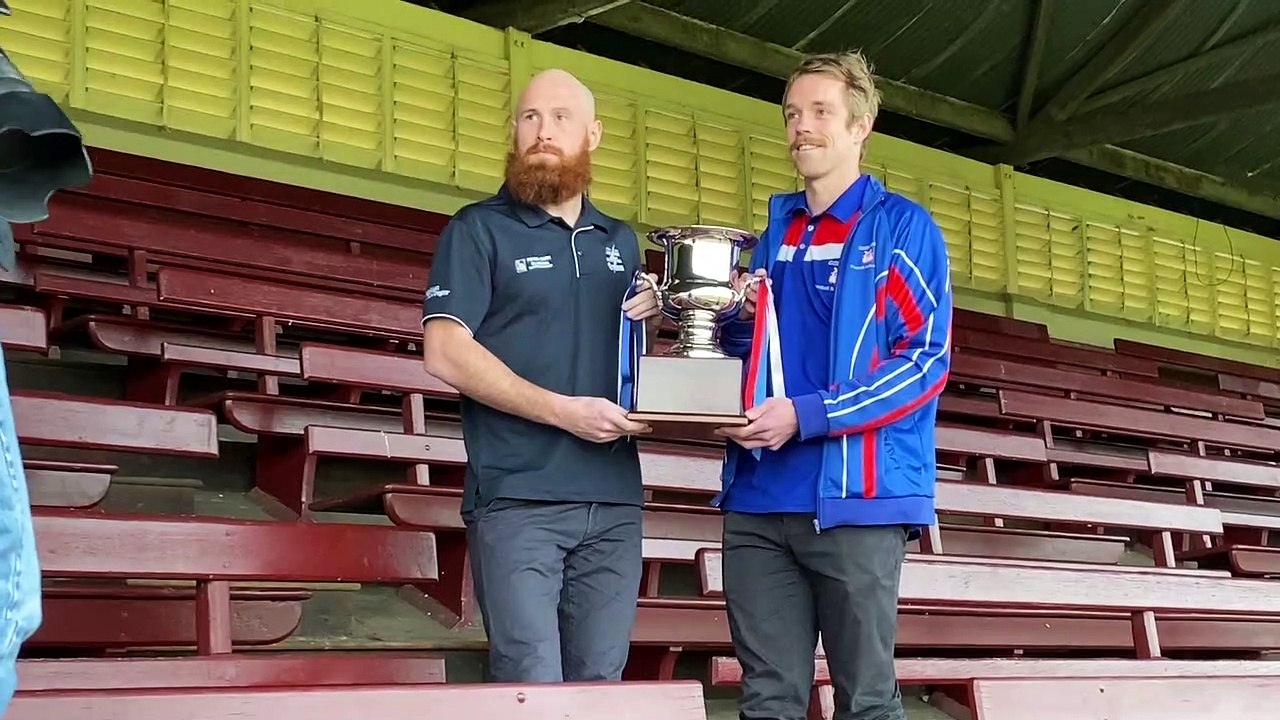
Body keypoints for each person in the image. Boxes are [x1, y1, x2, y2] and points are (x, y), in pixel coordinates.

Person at [714, 50, 953, 720]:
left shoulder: (903, 230)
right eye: (793, 114)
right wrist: (714, 316)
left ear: (859, 125)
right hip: (758, 502)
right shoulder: (771, 240)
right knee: (767, 700)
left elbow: (923, 363)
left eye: (820, 111)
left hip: (857, 504)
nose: (801, 127)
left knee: (867, 702)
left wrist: (807, 414)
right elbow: (751, 354)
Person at [420, 68, 661, 683]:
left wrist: (655, 324)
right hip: (518, 499)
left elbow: (628, 365)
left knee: (600, 689)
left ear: (594, 134)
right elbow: (444, 351)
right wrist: (563, 411)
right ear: (513, 131)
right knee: (530, 685)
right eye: (530, 118)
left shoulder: (622, 242)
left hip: (613, 502)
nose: (542, 131)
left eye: (560, 118)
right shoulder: (476, 229)